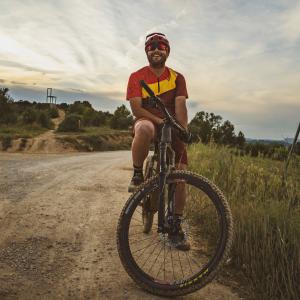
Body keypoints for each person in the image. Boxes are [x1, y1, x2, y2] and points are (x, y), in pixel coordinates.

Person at [126, 32, 190, 250]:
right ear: (146, 52)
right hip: (149, 120)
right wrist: (159, 121)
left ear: (167, 51)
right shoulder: (137, 76)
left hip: (173, 125)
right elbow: (136, 108)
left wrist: (182, 130)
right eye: (151, 47)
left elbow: (181, 107)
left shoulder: (177, 78)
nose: (155, 49)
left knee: (180, 175)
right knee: (143, 128)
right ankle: (137, 174)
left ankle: (175, 226)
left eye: (160, 46)